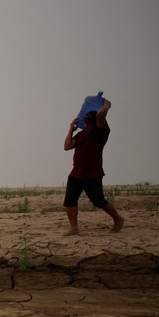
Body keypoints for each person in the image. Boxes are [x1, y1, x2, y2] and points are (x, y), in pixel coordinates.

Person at [62, 97, 125, 235]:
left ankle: (118, 219)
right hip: (76, 173)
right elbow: (67, 146)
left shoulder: (100, 134)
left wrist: (107, 105)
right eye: (86, 122)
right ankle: (74, 227)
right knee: (70, 200)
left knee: (98, 200)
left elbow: (101, 115)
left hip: (93, 174)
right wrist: (71, 130)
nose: (88, 125)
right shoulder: (81, 135)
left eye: (90, 123)